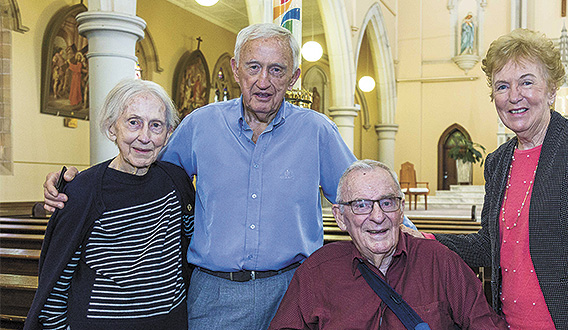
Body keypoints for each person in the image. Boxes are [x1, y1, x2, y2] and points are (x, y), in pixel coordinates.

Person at [42, 23, 416, 329]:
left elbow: (364, 196)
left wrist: (413, 239)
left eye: (277, 69)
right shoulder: (200, 126)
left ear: (294, 76)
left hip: (295, 287)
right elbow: (145, 168)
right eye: (253, 67)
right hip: (214, 294)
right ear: (236, 69)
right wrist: (78, 184)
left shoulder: (317, 131)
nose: (264, 81)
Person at [428, 29, 568, 329]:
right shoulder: (497, 162)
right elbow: (491, 246)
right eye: (502, 86)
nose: (514, 96)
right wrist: (428, 240)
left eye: (527, 82)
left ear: (552, 89)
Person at [26, 79, 195, 329]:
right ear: (112, 128)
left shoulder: (176, 181)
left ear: (168, 133)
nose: (144, 137)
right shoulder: (82, 190)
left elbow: (192, 246)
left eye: (156, 125)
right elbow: (55, 288)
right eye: (133, 122)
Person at [269, 160, 507, 330]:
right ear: (341, 217)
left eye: (387, 202)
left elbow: (485, 323)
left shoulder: (441, 262)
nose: (377, 216)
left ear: (401, 209)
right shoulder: (317, 271)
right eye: (361, 205)